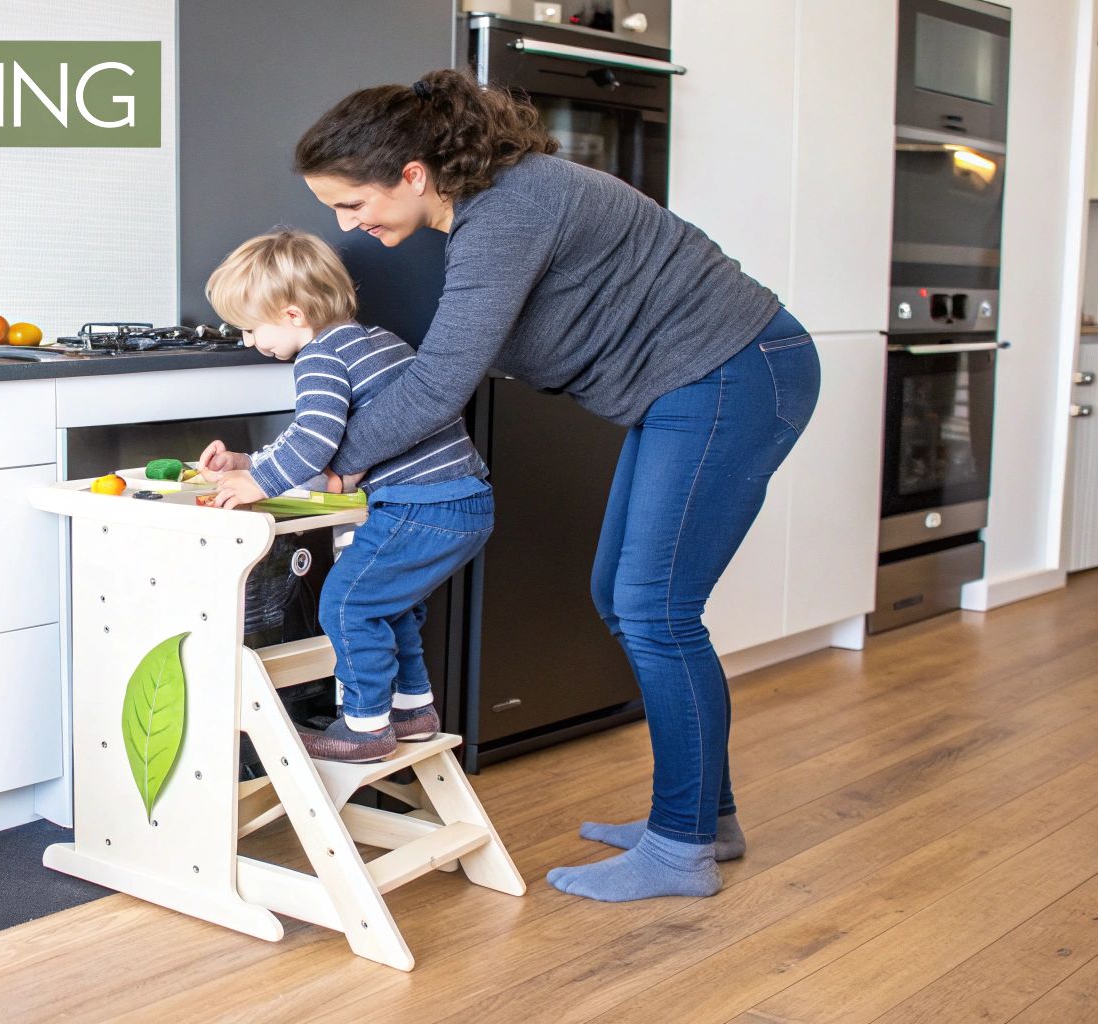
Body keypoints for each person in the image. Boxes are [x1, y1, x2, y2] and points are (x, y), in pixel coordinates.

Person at [290, 69, 821, 902]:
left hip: (732, 374)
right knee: (626, 597)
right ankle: (704, 820)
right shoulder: (494, 205)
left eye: (352, 204)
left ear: (414, 176)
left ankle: (680, 847)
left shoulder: (506, 212)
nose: (347, 224)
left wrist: (321, 463)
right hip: (695, 384)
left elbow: (442, 381)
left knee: (656, 610)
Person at [195, 229, 494, 764]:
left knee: (347, 602)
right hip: (460, 501)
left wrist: (258, 485)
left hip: (421, 506)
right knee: (386, 602)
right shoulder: (374, 340)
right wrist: (247, 463)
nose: (247, 342)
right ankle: (412, 710)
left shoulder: (319, 358)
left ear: (290, 316)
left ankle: (364, 727)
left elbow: (314, 441)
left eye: (249, 328)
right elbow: (319, 441)